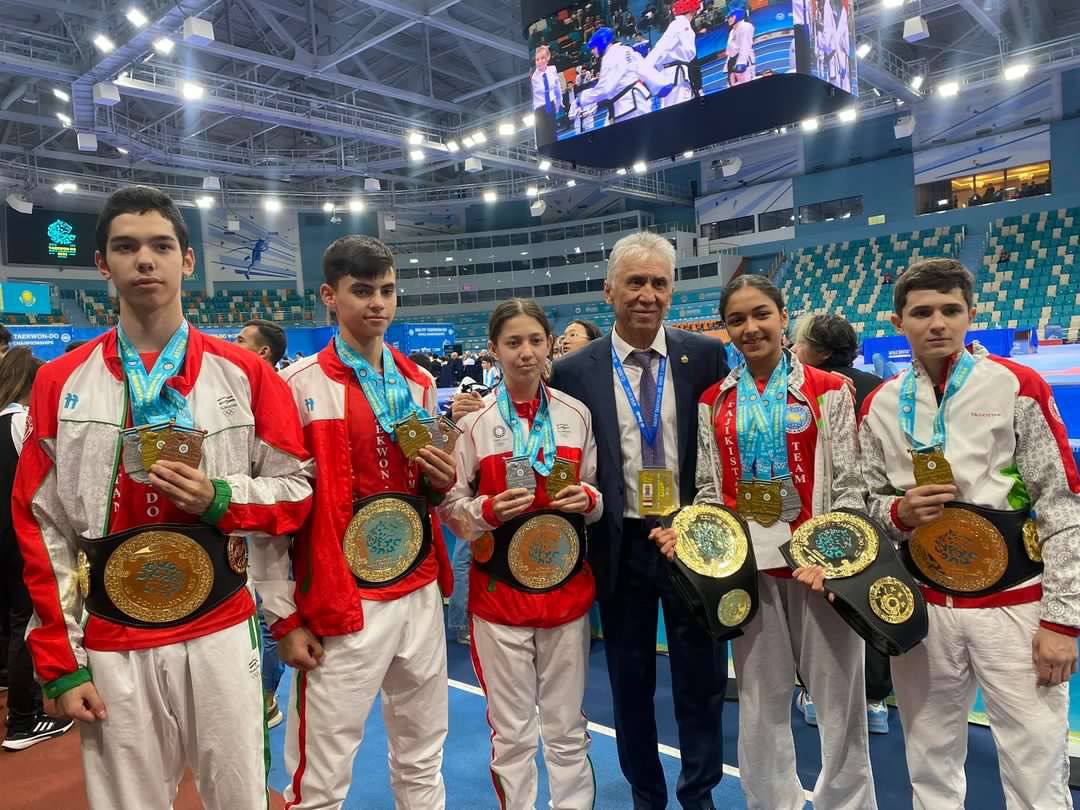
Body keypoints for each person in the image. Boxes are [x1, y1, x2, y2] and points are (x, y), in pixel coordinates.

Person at [12, 185, 314, 809]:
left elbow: (296, 492)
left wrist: (221, 496)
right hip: (111, 635)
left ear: (187, 260)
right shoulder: (58, 381)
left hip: (221, 625)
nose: (144, 260)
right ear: (103, 264)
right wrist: (61, 660)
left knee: (239, 797)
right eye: (126, 248)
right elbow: (42, 526)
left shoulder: (248, 374)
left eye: (161, 246)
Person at [858, 258, 1080, 809]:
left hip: (1015, 603)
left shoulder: (1016, 385)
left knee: (1035, 763)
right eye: (922, 312)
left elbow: (1061, 501)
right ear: (897, 322)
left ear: (971, 315)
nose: (937, 323)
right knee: (929, 761)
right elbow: (863, 504)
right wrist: (898, 513)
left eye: (950, 310)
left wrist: (1063, 621)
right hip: (924, 605)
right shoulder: (879, 403)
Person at [651, 276, 877, 810]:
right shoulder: (714, 400)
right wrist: (691, 532)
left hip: (819, 569)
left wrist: (838, 560)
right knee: (760, 703)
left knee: (840, 706)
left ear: (782, 316)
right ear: (726, 329)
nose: (750, 328)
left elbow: (851, 482)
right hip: (748, 570)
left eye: (761, 315)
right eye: (737, 320)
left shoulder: (828, 389)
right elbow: (709, 490)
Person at [258, 235, 456, 809]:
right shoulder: (296, 387)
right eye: (363, 291)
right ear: (330, 295)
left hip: (418, 589)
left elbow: (424, 489)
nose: (378, 304)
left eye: (387, 291)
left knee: (423, 756)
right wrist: (282, 617)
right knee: (320, 777)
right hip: (341, 602)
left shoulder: (417, 382)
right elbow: (274, 513)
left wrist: (439, 480)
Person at [550, 232, 730, 810]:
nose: (647, 294)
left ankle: (699, 793)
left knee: (701, 678)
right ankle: (646, 796)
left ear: (671, 291)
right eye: (635, 282)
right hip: (619, 542)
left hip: (689, 537)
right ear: (609, 291)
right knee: (630, 683)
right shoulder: (572, 371)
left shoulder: (704, 356)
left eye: (659, 283)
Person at [441, 298, 602, 810]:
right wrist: (485, 511)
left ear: (549, 345)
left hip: (566, 597)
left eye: (535, 340)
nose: (526, 352)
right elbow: (450, 506)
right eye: (513, 342)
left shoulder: (576, 415)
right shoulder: (474, 424)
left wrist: (589, 500)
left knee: (567, 727)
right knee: (511, 733)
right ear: (493, 349)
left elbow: (596, 491)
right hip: (499, 601)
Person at [792, 313, 891, 732]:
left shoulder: (806, 390)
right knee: (868, 597)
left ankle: (816, 693)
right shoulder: (881, 387)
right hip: (873, 513)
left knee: (820, 609)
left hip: (830, 512)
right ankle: (874, 700)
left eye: (799, 343)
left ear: (820, 352)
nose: (794, 350)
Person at [0, 348, 73, 751]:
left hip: (6, 535)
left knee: (12, 619)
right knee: (27, 622)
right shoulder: (22, 422)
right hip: (21, 536)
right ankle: (24, 719)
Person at [234, 317, 289, 729]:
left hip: (272, 518)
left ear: (263, 351)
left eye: (241, 340)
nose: (233, 345)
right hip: (242, 515)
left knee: (270, 612)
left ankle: (266, 696)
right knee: (253, 611)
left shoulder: (279, 392)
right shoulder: (239, 390)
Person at [577, 27, 670, 126]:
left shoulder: (610, 56)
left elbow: (605, 89)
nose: (592, 51)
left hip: (628, 106)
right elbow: (644, 69)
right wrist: (659, 84)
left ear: (601, 44)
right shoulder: (626, 49)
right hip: (639, 100)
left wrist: (583, 98)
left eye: (593, 48)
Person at [644, 0, 700, 108]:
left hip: (675, 73)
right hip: (674, 74)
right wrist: (646, 69)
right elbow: (660, 48)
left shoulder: (680, 24)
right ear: (693, 10)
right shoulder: (679, 24)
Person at [531, 44, 566, 146]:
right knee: (543, 138)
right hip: (539, 109)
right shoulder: (534, 78)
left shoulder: (552, 69)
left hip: (551, 105)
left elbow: (557, 87)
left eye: (542, 58)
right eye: (537, 59)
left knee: (553, 135)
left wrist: (559, 102)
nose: (540, 61)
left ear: (547, 58)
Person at [725, 8, 756, 87]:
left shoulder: (746, 26)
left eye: (730, 17)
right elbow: (730, 50)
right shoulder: (732, 31)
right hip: (732, 62)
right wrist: (727, 66)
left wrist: (742, 62)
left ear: (736, 16)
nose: (728, 20)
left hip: (744, 61)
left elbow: (745, 45)